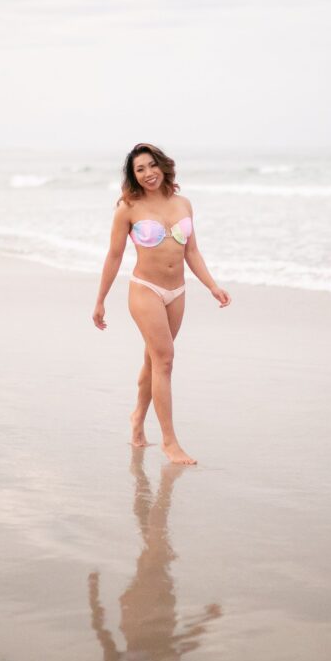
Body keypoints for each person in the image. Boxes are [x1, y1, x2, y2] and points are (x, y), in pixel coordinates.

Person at [93, 143, 231, 465]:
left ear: (162, 166)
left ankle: (137, 418)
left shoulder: (183, 203)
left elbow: (192, 251)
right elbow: (114, 256)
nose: (147, 174)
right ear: (133, 175)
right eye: (139, 169)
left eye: (151, 166)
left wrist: (212, 286)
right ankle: (170, 442)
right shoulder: (128, 208)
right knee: (165, 359)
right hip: (146, 290)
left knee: (154, 361)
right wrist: (100, 300)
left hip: (177, 292)